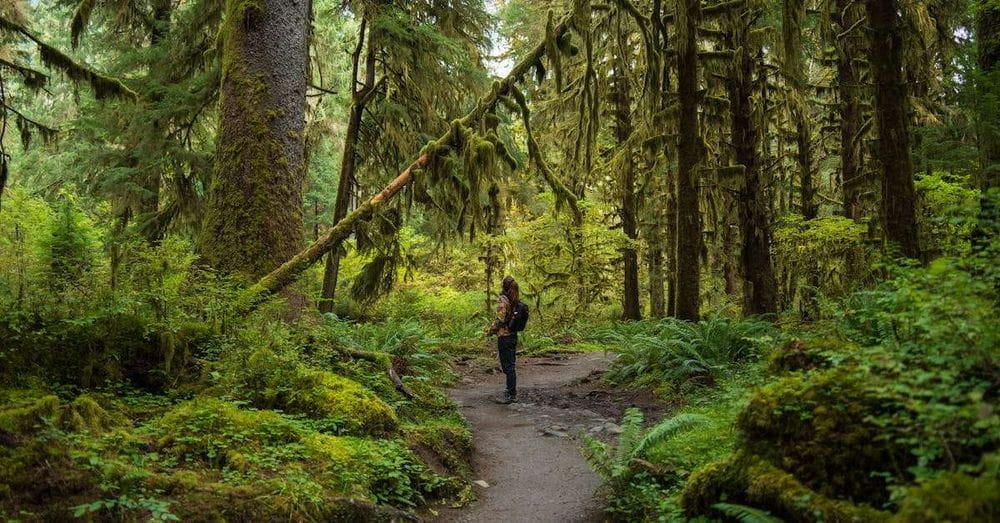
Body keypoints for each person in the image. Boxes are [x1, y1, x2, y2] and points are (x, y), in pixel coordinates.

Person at [486, 275, 519, 404]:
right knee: (510, 364)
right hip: (513, 335)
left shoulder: (503, 300)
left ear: (504, 286)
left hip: (504, 337)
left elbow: (500, 319)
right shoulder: (514, 299)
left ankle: (511, 394)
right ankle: (510, 391)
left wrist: (490, 331)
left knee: (508, 366)